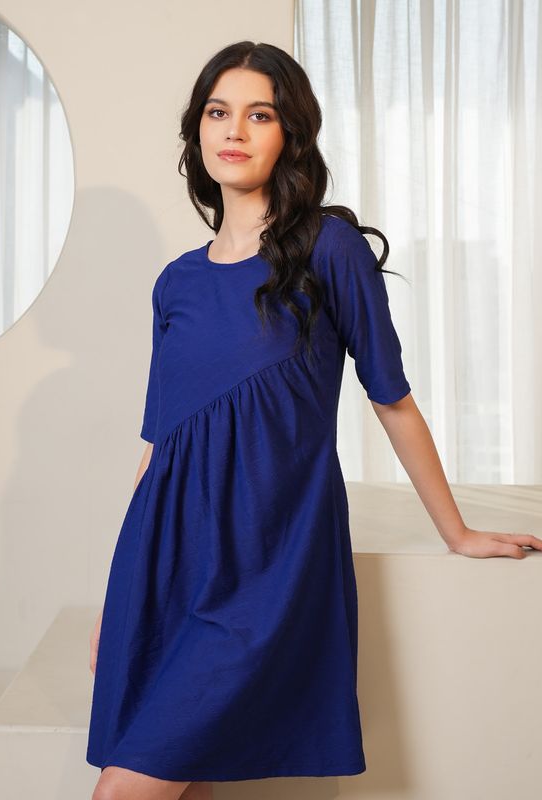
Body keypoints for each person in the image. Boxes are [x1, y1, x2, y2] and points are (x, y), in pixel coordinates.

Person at [86, 41, 542, 800]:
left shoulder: (328, 249)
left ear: (290, 134)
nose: (234, 130)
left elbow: (391, 398)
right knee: (182, 784)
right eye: (218, 112)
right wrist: (120, 594)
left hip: (266, 565)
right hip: (167, 561)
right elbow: (158, 446)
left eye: (259, 115)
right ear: (197, 132)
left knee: (124, 789)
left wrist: (457, 532)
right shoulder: (176, 283)